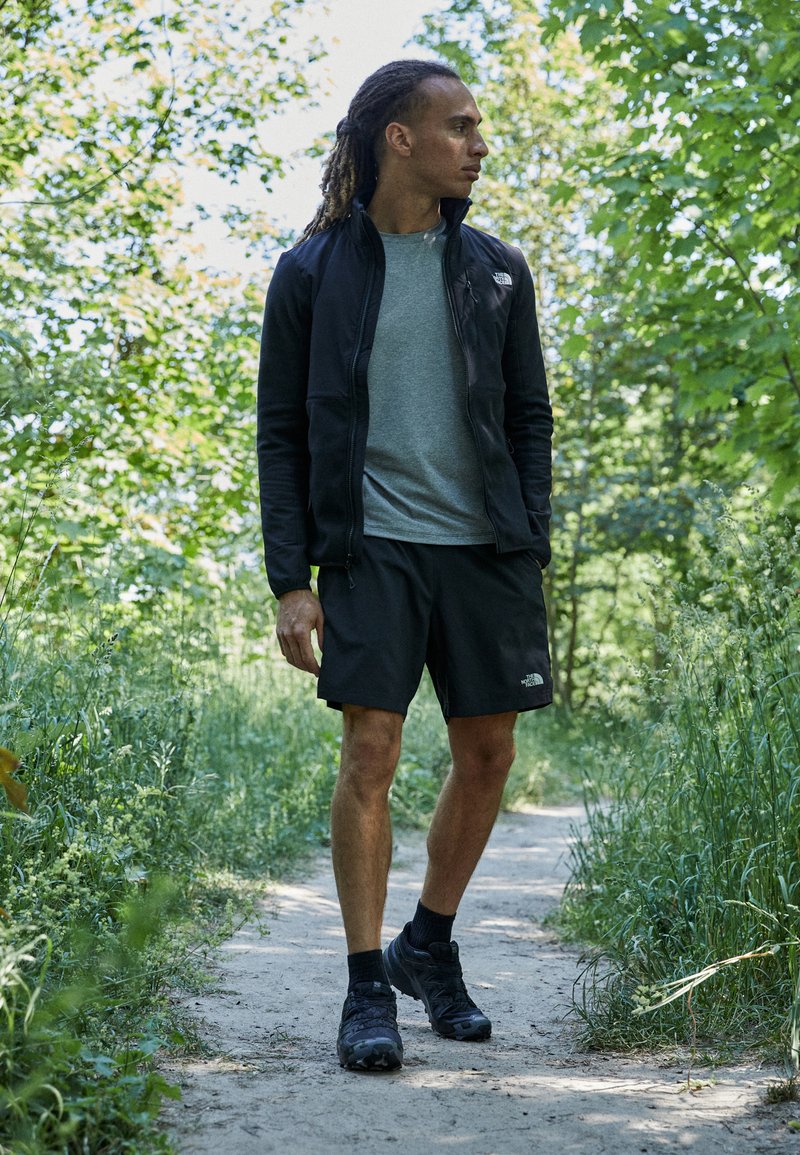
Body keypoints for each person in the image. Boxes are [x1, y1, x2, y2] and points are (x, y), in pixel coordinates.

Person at [256, 59, 553, 1073]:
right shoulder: (311, 272)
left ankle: (428, 941)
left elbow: (528, 416)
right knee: (370, 752)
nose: (478, 143)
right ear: (399, 137)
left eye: (476, 126)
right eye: (459, 125)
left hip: (484, 548)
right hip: (371, 545)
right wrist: (291, 579)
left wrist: (530, 536)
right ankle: (364, 987)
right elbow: (282, 434)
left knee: (488, 755)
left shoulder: (497, 270)